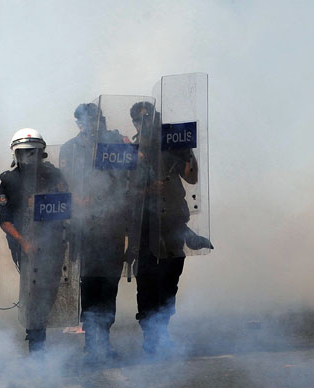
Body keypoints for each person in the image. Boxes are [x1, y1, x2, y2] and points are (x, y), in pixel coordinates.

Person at [128, 101, 212, 354]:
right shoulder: (130, 151)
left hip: (173, 222)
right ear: (134, 123)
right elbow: (121, 192)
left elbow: (192, 177)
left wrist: (188, 152)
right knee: (147, 281)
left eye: (151, 118)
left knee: (169, 279)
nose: (147, 123)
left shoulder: (171, 146)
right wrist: (148, 190)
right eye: (141, 120)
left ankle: (161, 331)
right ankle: (150, 335)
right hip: (144, 226)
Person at [59, 103, 131, 362]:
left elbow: (128, 177)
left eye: (97, 119)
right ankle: (92, 342)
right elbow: (64, 185)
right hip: (85, 229)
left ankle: (105, 340)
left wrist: (127, 146)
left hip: (111, 226)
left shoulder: (114, 143)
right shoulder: (70, 149)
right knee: (89, 285)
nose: (93, 124)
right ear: (78, 123)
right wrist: (77, 200)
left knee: (109, 285)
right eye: (88, 120)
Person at [0, 128, 69, 355]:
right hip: (25, 245)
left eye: (33, 153)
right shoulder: (9, 180)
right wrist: (24, 242)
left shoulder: (54, 175)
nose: (29, 158)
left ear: (42, 154)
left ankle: (38, 331)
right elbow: (5, 220)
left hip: (53, 241)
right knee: (34, 290)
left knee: (49, 290)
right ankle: (36, 341)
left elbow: (67, 206)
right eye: (25, 153)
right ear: (15, 155)